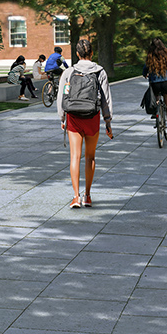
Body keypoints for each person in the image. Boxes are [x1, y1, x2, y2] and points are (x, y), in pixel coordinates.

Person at [57, 39, 114, 208]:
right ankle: (87, 195)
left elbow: (62, 96)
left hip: (74, 118)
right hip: (92, 117)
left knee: (75, 157)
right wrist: (108, 121)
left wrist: (62, 118)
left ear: (77, 54)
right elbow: (106, 99)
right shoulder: (100, 72)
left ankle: (76, 197)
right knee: (90, 157)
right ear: (92, 53)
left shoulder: (69, 72)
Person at [143, 38, 167, 139]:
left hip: (155, 84)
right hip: (166, 83)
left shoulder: (150, 56)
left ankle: (156, 110)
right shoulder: (166, 54)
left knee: (157, 98)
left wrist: (145, 74)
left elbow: (145, 69)